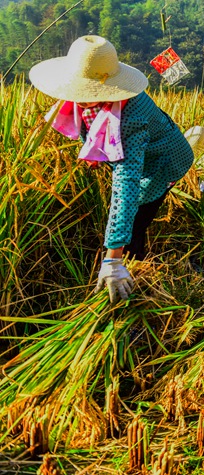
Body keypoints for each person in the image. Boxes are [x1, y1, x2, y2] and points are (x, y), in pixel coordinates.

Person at [28, 35, 194, 302]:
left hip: (164, 161)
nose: (79, 98)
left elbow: (125, 186)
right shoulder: (83, 100)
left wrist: (113, 256)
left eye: (86, 91)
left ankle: (133, 279)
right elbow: (92, 123)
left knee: (136, 221)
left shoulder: (131, 119)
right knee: (131, 219)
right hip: (150, 149)